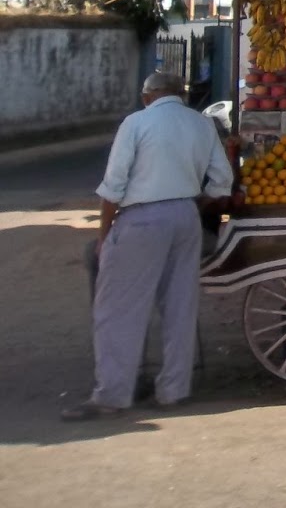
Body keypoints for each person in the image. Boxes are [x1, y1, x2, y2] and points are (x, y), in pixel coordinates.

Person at [61, 69, 234, 422]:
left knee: (118, 310)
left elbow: (113, 186)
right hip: (185, 218)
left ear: (147, 96)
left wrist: (104, 236)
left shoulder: (137, 123)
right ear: (181, 95)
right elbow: (222, 181)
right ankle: (174, 391)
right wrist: (193, 203)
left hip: (142, 219)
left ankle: (112, 394)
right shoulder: (201, 124)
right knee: (180, 307)